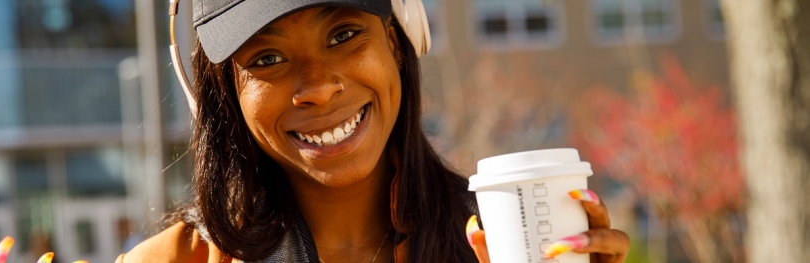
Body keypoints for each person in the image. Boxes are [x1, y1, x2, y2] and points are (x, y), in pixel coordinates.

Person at [116, 0, 630, 262]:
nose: (317, 87)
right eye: (267, 58)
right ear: (226, 96)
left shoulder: (500, 244)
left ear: (397, 39)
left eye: (343, 34)